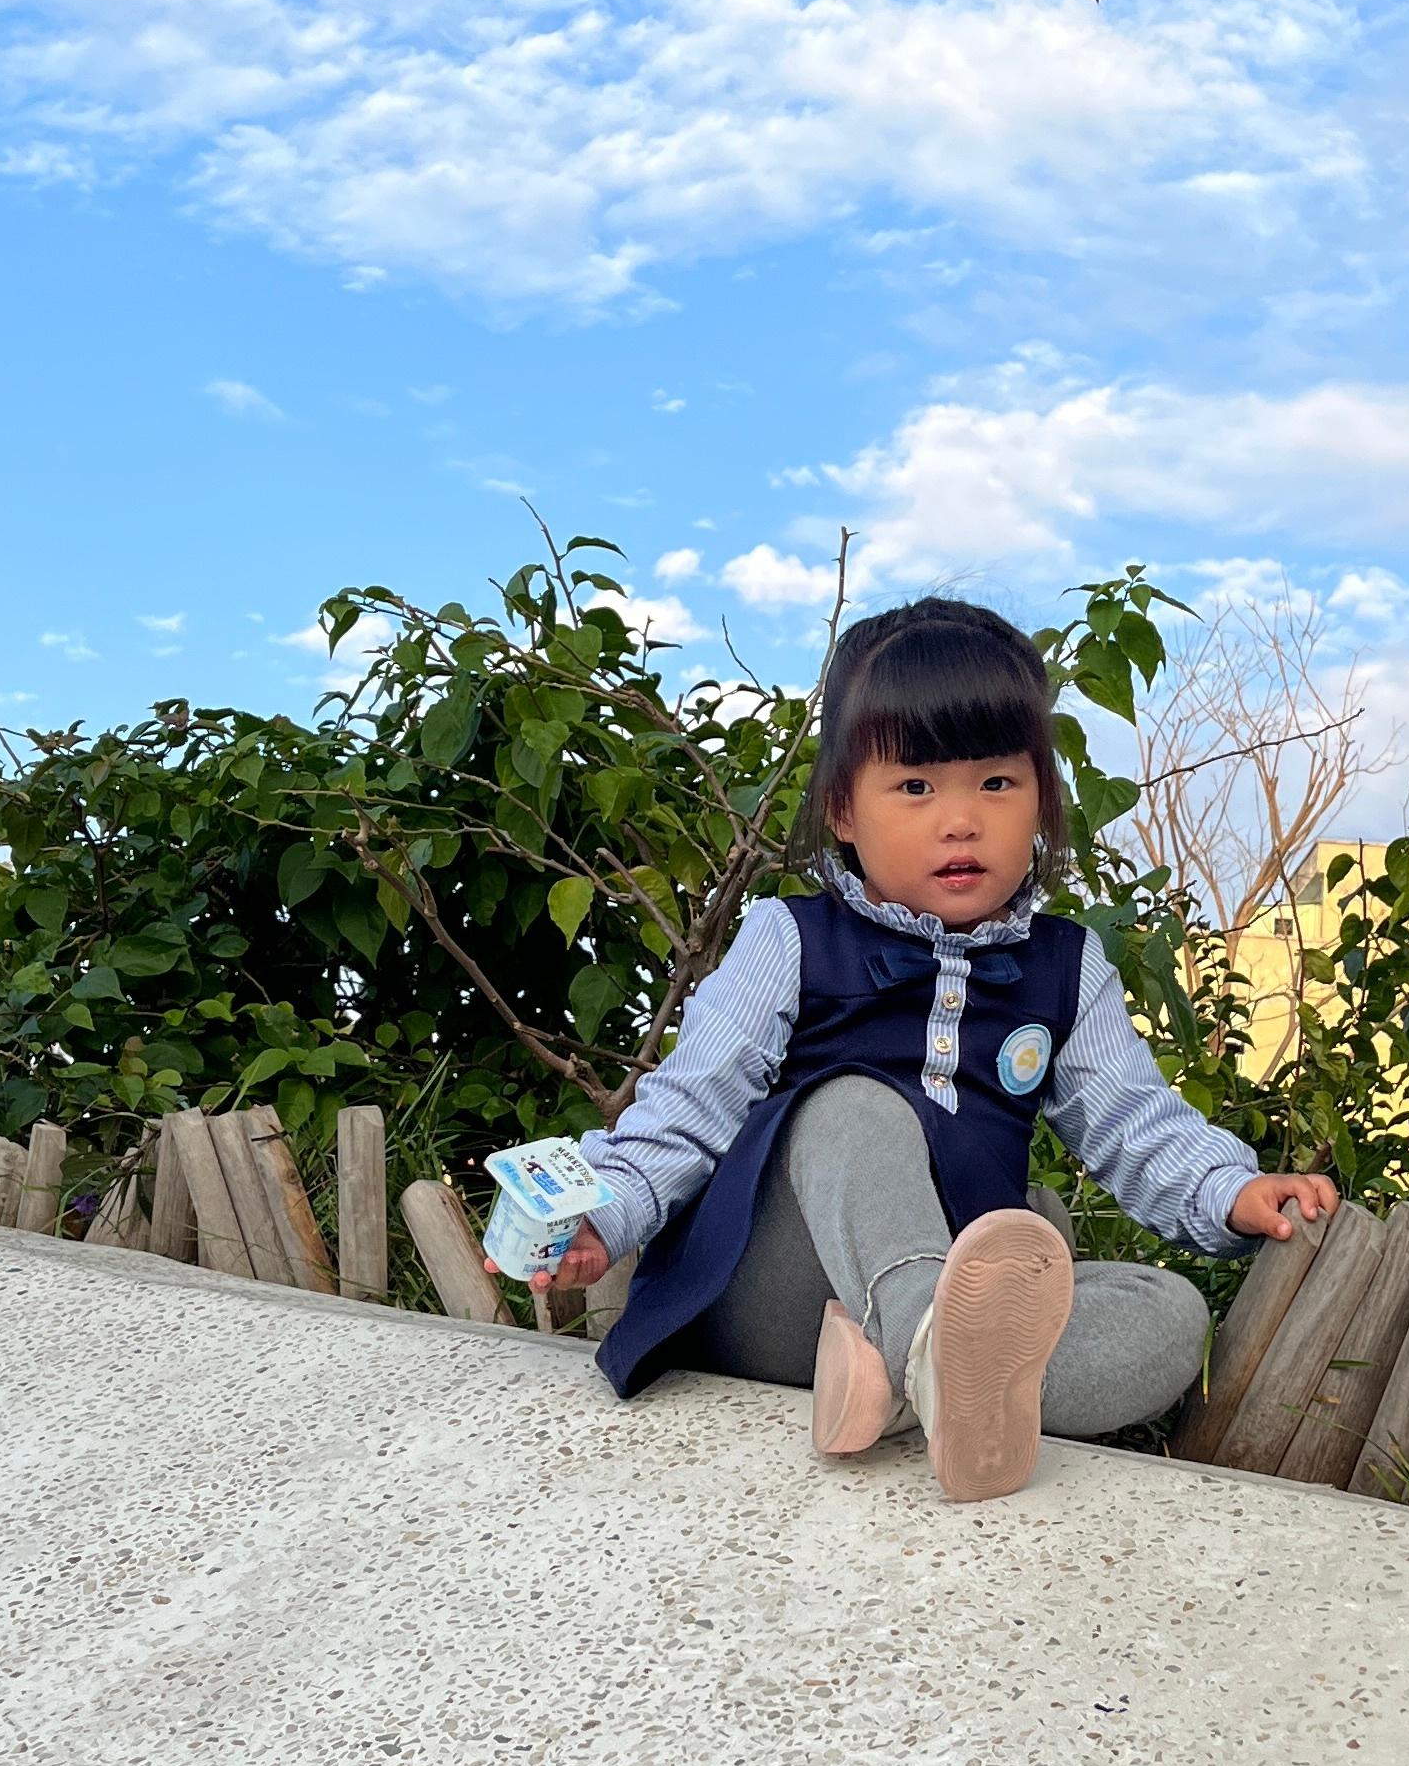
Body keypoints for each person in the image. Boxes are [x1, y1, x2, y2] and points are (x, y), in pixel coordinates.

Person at [527, 595, 1339, 1501]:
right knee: (852, 1107)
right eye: (915, 787)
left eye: (996, 784)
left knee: (1165, 1313)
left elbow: (1135, 1123)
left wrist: (1228, 1191)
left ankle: (898, 1387)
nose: (960, 821)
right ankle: (933, 1357)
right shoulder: (790, 940)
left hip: (921, 1300)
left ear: (1042, 800)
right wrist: (606, 1213)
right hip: (775, 1293)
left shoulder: (1066, 968)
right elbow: (688, 1105)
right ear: (842, 809)